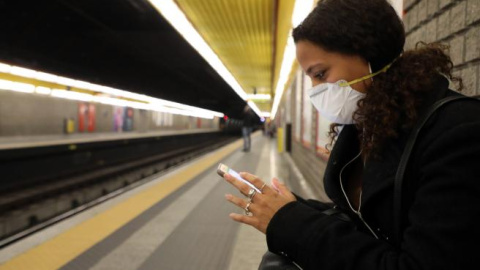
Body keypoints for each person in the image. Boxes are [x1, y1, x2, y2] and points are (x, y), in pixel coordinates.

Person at [221, 0, 480, 269]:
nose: (315, 90)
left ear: (369, 55)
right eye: (310, 78)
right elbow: (363, 222)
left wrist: (291, 224)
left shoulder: (459, 134)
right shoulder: (371, 126)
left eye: (321, 74)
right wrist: (290, 208)